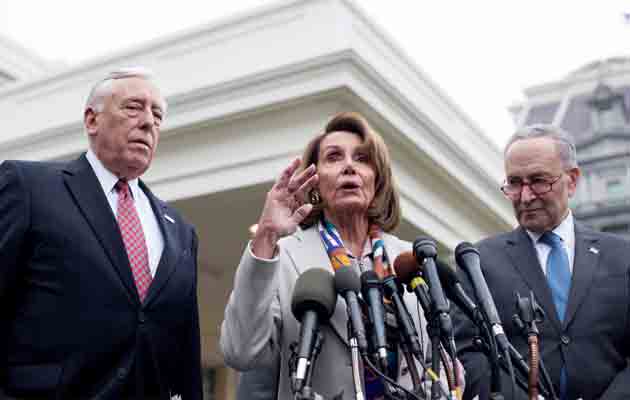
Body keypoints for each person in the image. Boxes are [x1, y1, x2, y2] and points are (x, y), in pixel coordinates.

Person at [221, 112, 456, 399]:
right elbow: (240, 352)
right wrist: (266, 234)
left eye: (362, 158)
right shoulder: (283, 257)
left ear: (376, 178)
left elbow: (448, 365)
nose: (349, 166)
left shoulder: (409, 259)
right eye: (334, 157)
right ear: (314, 182)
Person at [0, 68, 202, 399]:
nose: (149, 122)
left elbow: (185, 353)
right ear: (92, 120)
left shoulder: (180, 231)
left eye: (157, 114)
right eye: (134, 107)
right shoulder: (28, 188)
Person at [453, 124, 630, 400]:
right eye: (514, 183)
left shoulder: (622, 257)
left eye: (538, 181)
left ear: (571, 181)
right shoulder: (478, 263)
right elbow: (467, 353)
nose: (525, 196)